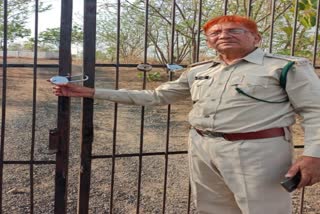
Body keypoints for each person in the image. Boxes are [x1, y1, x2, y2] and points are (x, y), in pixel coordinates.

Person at [52, 15, 320, 214]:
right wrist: (90, 92)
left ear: (256, 38)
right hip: (202, 146)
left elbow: (315, 110)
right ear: (209, 41)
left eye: (235, 30)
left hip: (258, 150)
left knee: (263, 210)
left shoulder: (286, 67)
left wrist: (313, 155)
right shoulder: (199, 70)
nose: (224, 35)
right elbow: (157, 96)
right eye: (215, 32)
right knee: (213, 208)